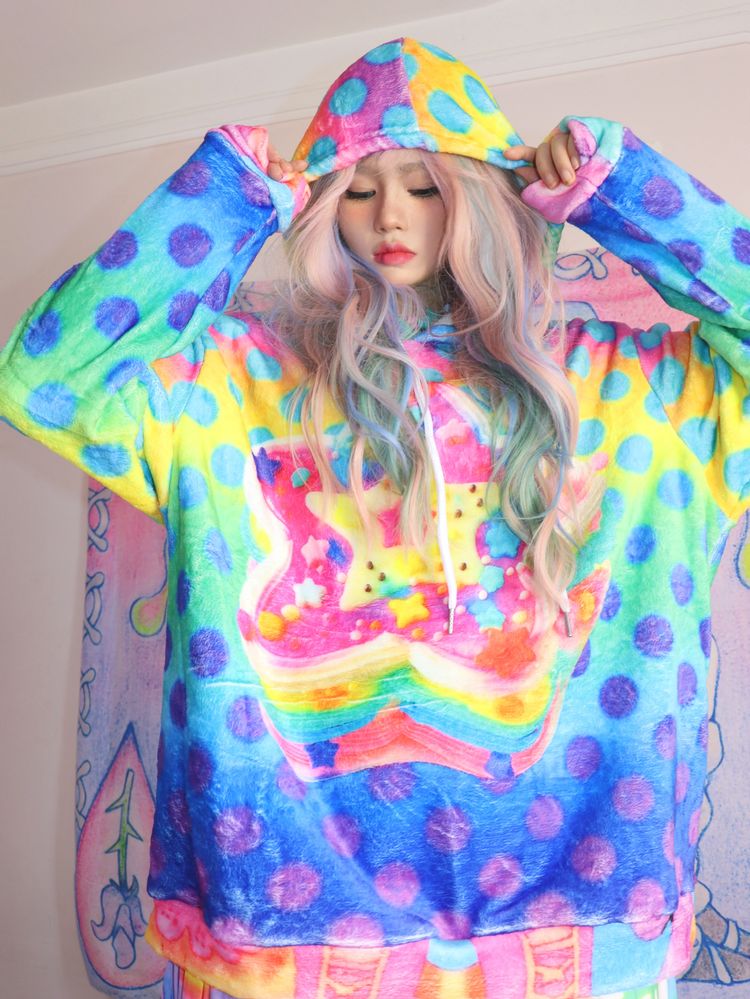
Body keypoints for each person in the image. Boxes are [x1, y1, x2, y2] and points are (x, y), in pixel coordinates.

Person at [1, 36, 748, 999]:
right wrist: (224, 198)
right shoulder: (238, 382)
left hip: (582, 928)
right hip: (289, 934)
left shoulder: (623, 387)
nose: (390, 214)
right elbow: (46, 376)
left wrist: (628, 191)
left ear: (485, 196)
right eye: (357, 188)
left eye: (425, 185)